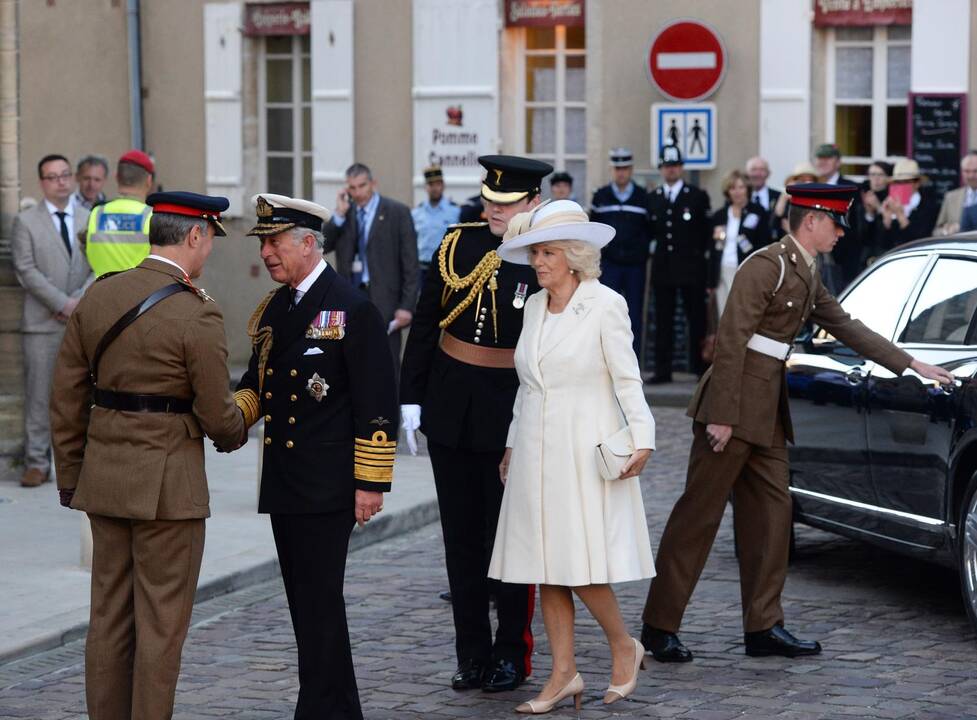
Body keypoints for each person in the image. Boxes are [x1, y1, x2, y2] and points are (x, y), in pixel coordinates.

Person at [639, 183, 953, 663]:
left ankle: (763, 626)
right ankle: (660, 626)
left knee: (770, 519)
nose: (842, 233)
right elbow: (731, 339)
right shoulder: (767, 266)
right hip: (734, 406)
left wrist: (910, 363)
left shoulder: (807, 270)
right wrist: (722, 414)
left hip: (768, 412)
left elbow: (846, 324)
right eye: (836, 223)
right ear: (812, 220)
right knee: (697, 518)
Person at [49, 191, 247, 720]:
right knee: (160, 627)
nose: (208, 252)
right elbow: (218, 418)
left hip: (105, 483)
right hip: (168, 493)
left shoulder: (99, 298)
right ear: (195, 236)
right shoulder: (196, 312)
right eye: (209, 240)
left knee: (108, 619)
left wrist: (71, 477)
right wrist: (247, 414)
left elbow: (66, 399)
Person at [235, 192, 399, 720]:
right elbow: (255, 385)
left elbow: (377, 403)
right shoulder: (277, 308)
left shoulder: (352, 308)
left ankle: (320, 708)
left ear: (308, 243)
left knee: (320, 601)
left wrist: (370, 483)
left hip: (328, 486)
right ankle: (337, 707)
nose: (266, 253)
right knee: (305, 605)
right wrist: (221, 419)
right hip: (285, 483)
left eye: (276, 242)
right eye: (263, 243)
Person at [490, 200, 656, 713]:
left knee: (581, 568)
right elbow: (527, 384)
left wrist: (643, 435)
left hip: (582, 450)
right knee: (545, 566)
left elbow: (627, 378)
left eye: (547, 253)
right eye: (536, 253)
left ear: (575, 257)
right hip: (537, 452)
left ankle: (624, 645)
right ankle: (564, 674)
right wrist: (513, 444)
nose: (538, 262)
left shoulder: (605, 304)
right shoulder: (535, 306)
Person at [400, 155, 552, 693]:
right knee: (461, 540)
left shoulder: (546, 254)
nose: (492, 210)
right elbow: (425, 320)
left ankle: (511, 652)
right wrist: (410, 396)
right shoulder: (456, 243)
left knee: (510, 540)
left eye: (506, 204)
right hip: (450, 407)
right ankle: (471, 652)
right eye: (489, 200)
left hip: (511, 412)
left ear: (533, 202)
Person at [10, 154, 92, 488]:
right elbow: (25, 269)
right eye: (52, 176)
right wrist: (62, 302)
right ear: (42, 182)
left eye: (64, 174)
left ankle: (77, 463)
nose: (60, 181)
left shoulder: (89, 218)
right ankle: (36, 462)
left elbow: (99, 264)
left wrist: (78, 301)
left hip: (80, 321)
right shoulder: (26, 222)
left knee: (79, 395)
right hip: (42, 322)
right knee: (39, 395)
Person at [323, 162, 418, 369]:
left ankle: (390, 402)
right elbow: (322, 246)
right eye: (352, 188)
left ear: (373, 183)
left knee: (386, 361)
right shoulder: (345, 214)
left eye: (362, 186)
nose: (358, 192)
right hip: (350, 296)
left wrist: (406, 306)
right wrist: (338, 215)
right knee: (351, 359)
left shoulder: (397, 212)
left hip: (385, 300)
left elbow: (411, 264)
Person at [649, 145, 711, 383]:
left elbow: (705, 235)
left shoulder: (696, 196)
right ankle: (662, 370)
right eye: (667, 166)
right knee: (663, 320)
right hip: (663, 269)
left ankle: (699, 368)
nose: (671, 171)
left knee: (695, 319)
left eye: (674, 166)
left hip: (691, 269)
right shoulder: (653, 198)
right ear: (661, 169)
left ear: (681, 168)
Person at [590, 147, 651, 355]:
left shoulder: (643, 197)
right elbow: (594, 230)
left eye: (625, 168)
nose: (621, 172)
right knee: (607, 311)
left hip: (635, 266)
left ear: (631, 169)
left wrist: (642, 253)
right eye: (617, 168)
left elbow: (649, 231)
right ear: (611, 169)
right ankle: (607, 357)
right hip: (610, 265)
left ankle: (632, 360)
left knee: (634, 314)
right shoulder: (601, 196)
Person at [709, 169, 770, 317]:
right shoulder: (720, 215)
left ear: (747, 189)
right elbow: (712, 248)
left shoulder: (758, 212)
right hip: (722, 269)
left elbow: (763, 244)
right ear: (727, 191)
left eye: (741, 187)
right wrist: (710, 280)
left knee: (743, 314)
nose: (737, 192)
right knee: (724, 315)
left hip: (745, 271)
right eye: (733, 188)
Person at [84, 150, 155, 277]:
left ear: (116, 177)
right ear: (149, 180)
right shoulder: (152, 217)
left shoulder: (96, 213)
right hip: (140, 295)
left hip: (101, 292)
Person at [813, 143, 861, 291]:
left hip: (843, 261)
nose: (823, 162)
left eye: (828, 158)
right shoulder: (813, 187)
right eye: (820, 158)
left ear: (838, 162)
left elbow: (858, 226)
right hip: (816, 258)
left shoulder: (851, 188)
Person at [876, 158, 940, 253]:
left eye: (905, 182)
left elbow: (920, 241)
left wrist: (901, 216)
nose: (900, 186)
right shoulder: (888, 203)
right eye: (897, 182)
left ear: (916, 183)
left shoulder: (928, 205)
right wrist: (887, 220)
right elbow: (881, 244)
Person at [412, 164, 460, 289]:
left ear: (443, 185)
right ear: (425, 187)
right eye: (431, 184)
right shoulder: (417, 213)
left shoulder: (454, 211)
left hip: (445, 269)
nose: (434, 188)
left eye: (437, 184)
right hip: (422, 269)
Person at [857, 160, 892, 266]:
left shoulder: (892, 198)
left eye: (881, 175)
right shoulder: (863, 196)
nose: (876, 179)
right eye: (872, 174)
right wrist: (870, 215)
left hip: (887, 254)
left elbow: (889, 232)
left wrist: (878, 207)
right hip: (866, 257)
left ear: (888, 178)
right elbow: (860, 235)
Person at [771, 162, 818, 238]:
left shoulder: (818, 201)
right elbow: (774, 223)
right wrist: (784, 197)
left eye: (809, 181)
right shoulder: (787, 198)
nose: (805, 184)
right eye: (802, 180)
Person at [935, 150, 977, 235]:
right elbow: (936, 231)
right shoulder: (951, 197)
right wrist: (946, 231)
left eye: (975, 171)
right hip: (957, 246)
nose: (971, 176)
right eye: (967, 171)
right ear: (961, 172)